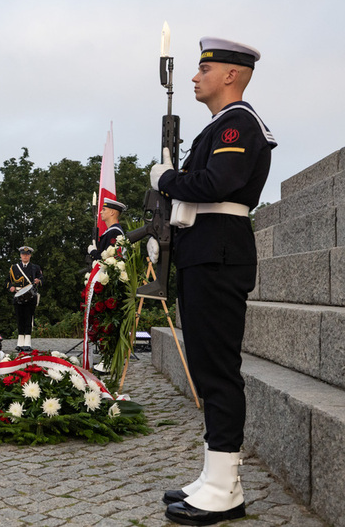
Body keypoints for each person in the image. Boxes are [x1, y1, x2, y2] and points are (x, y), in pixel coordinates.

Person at [151, 37, 277, 526]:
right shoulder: (218, 127)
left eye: (205, 69)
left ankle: (225, 487)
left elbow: (213, 185)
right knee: (206, 367)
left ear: (231, 74)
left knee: (218, 370)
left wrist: (166, 178)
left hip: (219, 255)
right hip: (205, 253)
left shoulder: (239, 124)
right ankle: (216, 476)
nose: (194, 77)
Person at [6, 246, 43, 350]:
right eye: (23, 254)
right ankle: (20, 343)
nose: (25, 256)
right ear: (20, 255)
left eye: (27, 254)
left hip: (30, 296)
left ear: (30, 255)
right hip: (18, 295)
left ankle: (27, 343)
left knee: (28, 318)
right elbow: (7, 281)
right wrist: (10, 287)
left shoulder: (35, 267)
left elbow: (42, 280)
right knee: (19, 318)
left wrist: (38, 281)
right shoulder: (14, 268)